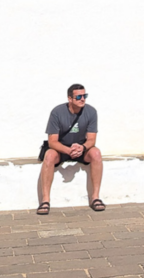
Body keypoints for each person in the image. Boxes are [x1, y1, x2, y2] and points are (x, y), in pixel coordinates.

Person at [37, 83, 104, 214]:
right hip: (61, 149)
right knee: (49, 155)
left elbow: (91, 139)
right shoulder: (57, 112)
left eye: (85, 96)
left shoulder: (91, 112)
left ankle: (95, 198)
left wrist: (82, 147)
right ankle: (45, 200)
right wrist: (68, 150)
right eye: (79, 97)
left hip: (81, 149)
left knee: (96, 153)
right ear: (70, 99)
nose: (83, 99)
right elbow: (52, 142)